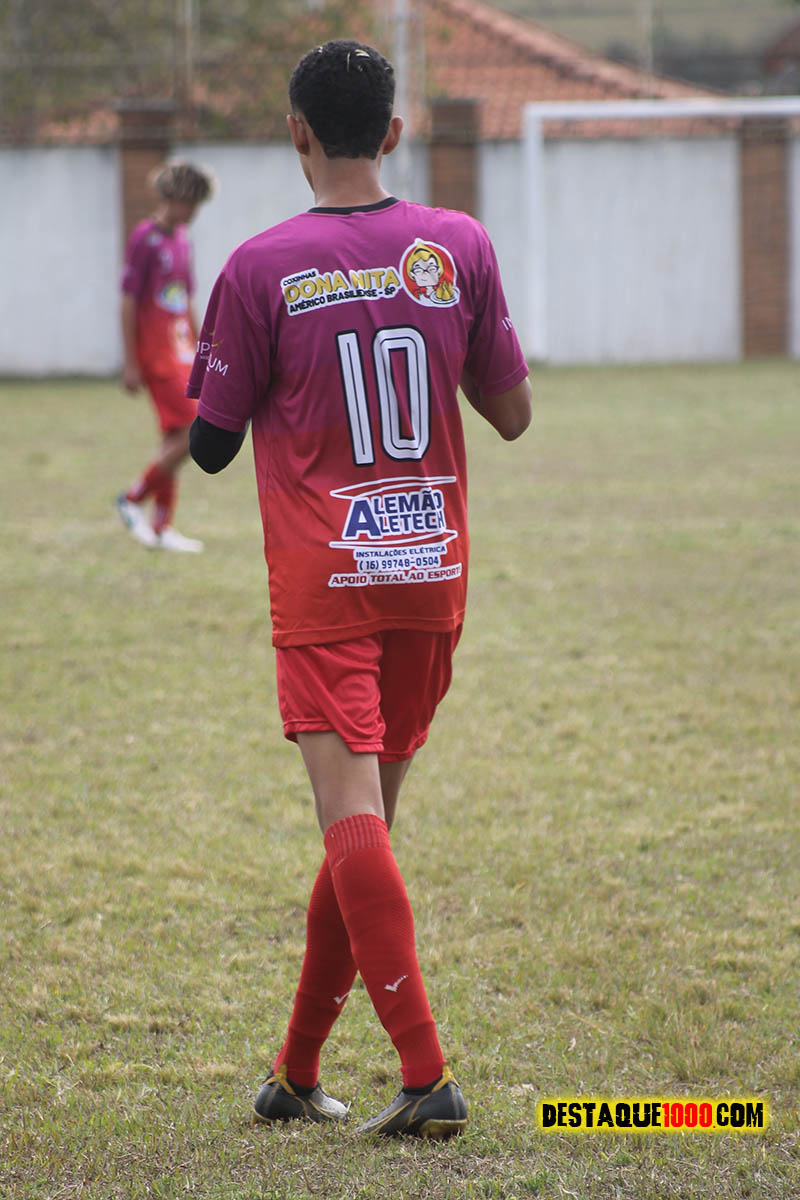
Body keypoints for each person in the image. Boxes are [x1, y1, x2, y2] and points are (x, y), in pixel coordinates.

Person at [189, 40, 532, 1138]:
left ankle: (427, 1077)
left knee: (352, 826)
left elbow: (208, 446)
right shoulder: (457, 246)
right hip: (429, 571)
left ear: (296, 132)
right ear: (392, 131)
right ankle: (294, 1073)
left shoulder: (259, 266)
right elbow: (512, 413)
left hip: (327, 579)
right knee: (365, 832)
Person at [116, 160, 215, 552]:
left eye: (197, 205)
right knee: (193, 430)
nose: (192, 212)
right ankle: (132, 498)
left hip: (182, 350)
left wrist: (202, 348)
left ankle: (161, 527)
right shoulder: (145, 239)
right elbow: (128, 301)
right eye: (188, 202)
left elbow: (186, 298)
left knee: (175, 436)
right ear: (170, 197)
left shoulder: (183, 239)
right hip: (156, 353)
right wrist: (131, 361)